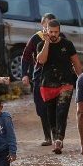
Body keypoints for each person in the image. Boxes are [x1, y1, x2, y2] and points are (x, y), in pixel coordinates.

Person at [36, 20, 83, 154]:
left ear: (59, 30)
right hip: (47, 84)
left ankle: (58, 140)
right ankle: (55, 136)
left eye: (56, 32)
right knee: (51, 114)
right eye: (51, 32)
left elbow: (76, 63)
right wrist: (47, 43)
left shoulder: (67, 44)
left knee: (61, 112)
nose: (53, 34)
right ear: (46, 31)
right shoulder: (41, 44)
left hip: (65, 83)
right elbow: (42, 60)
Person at [22, 13, 56, 146]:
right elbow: (25, 56)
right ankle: (48, 137)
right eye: (49, 24)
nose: (51, 29)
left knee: (55, 107)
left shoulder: (60, 38)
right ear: (43, 25)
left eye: (54, 25)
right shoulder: (36, 38)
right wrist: (25, 74)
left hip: (55, 78)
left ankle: (57, 136)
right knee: (42, 108)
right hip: (40, 77)